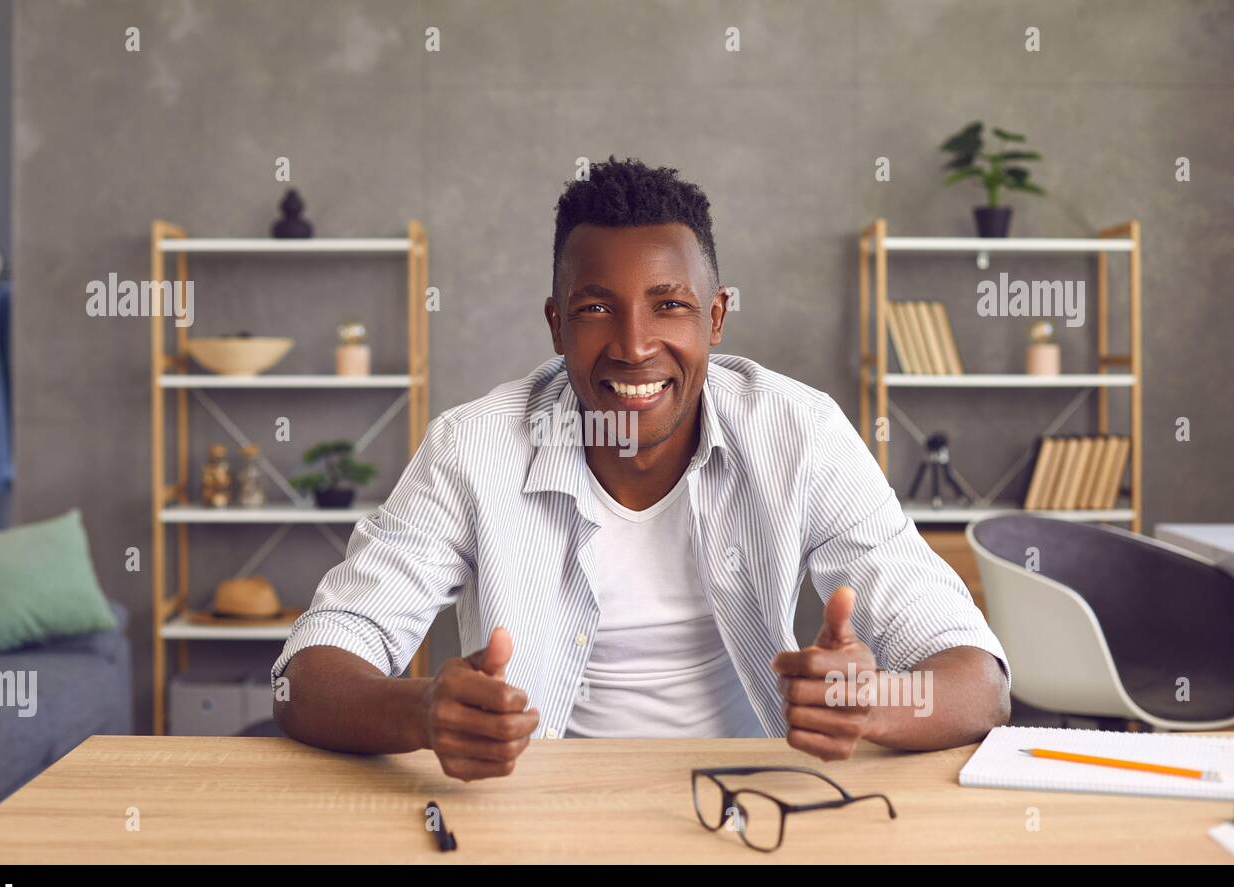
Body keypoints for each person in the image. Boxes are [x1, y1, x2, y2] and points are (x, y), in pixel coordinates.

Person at [273, 157, 1010, 781]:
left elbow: (980, 685)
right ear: (556, 322)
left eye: (669, 305)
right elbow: (304, 673)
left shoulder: (800, 433)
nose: (634, 345)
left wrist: (874, 699)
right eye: (596, 308)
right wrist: (423, 710)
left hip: (747, 807)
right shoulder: (473, 448)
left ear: (715, 319)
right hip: (533, 814)